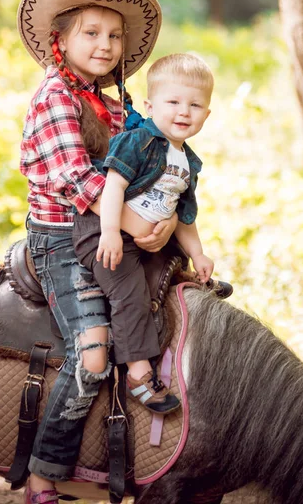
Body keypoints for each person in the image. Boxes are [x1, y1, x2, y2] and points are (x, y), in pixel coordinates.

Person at [17, 0, 176, 504]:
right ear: (61, 40)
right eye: (91, 32)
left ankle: (148, 445)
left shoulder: (113, 103)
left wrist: (168, 222)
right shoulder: (55, 98)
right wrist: (136, 224)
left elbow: (144, 166)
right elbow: (76, 179)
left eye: (114, 35)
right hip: (62, 237)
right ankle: (44, 473)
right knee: (90, 355)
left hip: (108, 229)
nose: (105, 45)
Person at [72, 53, 214, 411]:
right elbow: (113, 188)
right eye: (173, 102)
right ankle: (137, 372)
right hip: (105, 235)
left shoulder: (187, 161)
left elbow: (184, 213)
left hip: (147, 240)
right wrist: (108, 234)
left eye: (195, 105)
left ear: (207, 114)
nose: (184, 112)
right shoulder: (137, 141)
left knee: (168, 279)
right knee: (130, 294)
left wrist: (199, 254)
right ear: (150, 105)